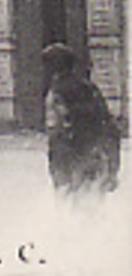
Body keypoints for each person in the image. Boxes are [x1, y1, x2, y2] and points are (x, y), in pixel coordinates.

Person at [41, 43, 121, 196]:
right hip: (94, 157)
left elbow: (56, 130)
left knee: (70, 211)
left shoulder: (56, 93)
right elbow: (111, 127)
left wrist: (57, 168)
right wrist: (113, 167)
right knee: (92, 210)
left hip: (69, 161)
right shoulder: (90, 88)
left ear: (52, 68)